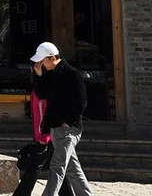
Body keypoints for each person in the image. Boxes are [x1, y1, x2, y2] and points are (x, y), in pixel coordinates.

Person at [30, 41, 94, 196]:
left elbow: (81, 101)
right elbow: (42, 94)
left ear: (52, 58)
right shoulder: (51, 74)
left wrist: (68, 122)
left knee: (57, 165)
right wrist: (39, 76)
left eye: (43, 61)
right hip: (56, 128)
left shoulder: (72, 73)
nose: (42, 65)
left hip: (68, 129)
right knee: (72, 169)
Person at [12, 67, 71, 196]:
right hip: (52, 133)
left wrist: (42, 137)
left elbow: (41, 114)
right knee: (55, 165)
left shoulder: (42, 90)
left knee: (35, 166)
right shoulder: (49, 88)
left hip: (47, 135)